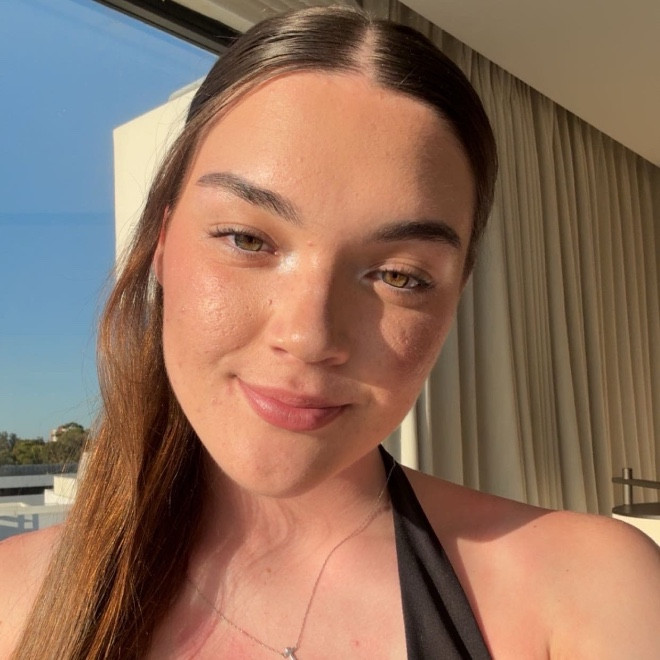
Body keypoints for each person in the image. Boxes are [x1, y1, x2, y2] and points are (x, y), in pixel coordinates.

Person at [1, 6, 658, 659]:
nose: (310, 336)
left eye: (399, 276)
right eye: (247, 239)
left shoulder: (587, 594)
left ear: (454, 299)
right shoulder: (13, 598)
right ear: (163, 244)